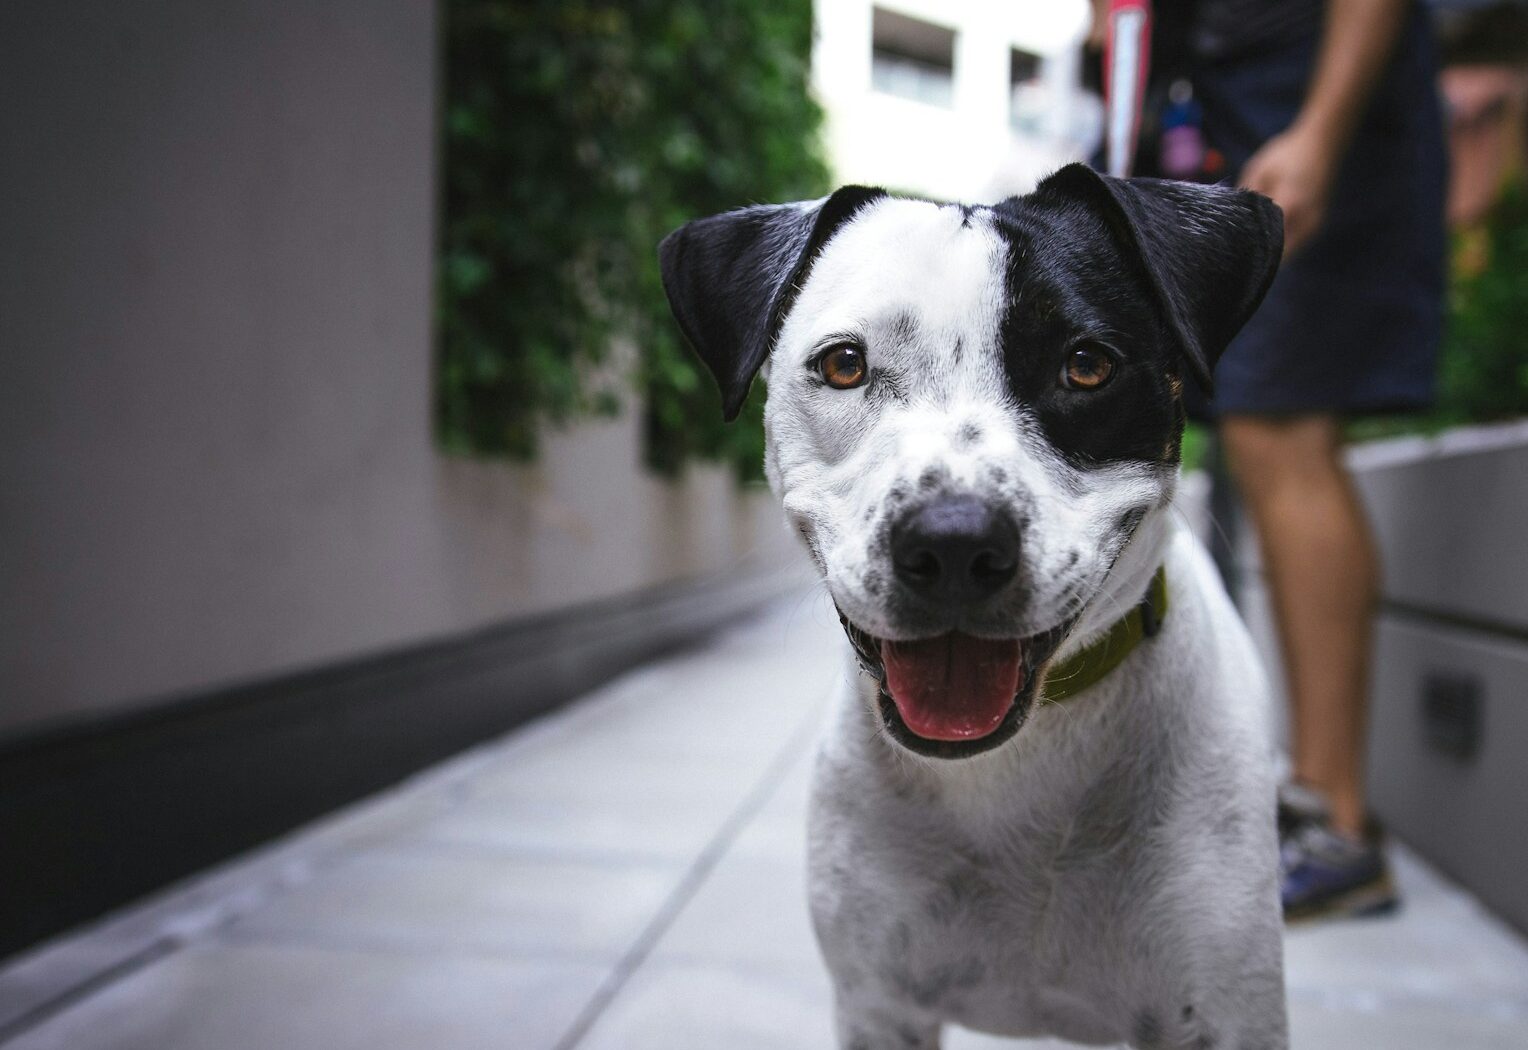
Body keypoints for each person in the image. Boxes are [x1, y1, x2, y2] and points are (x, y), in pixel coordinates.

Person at [1090, 0, 1448, 921]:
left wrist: (1322, 131)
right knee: (1205, 419)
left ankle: (1337, 824)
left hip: (1309, 97)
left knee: (1278, 426)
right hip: (1206, 97)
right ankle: (1267, 799)